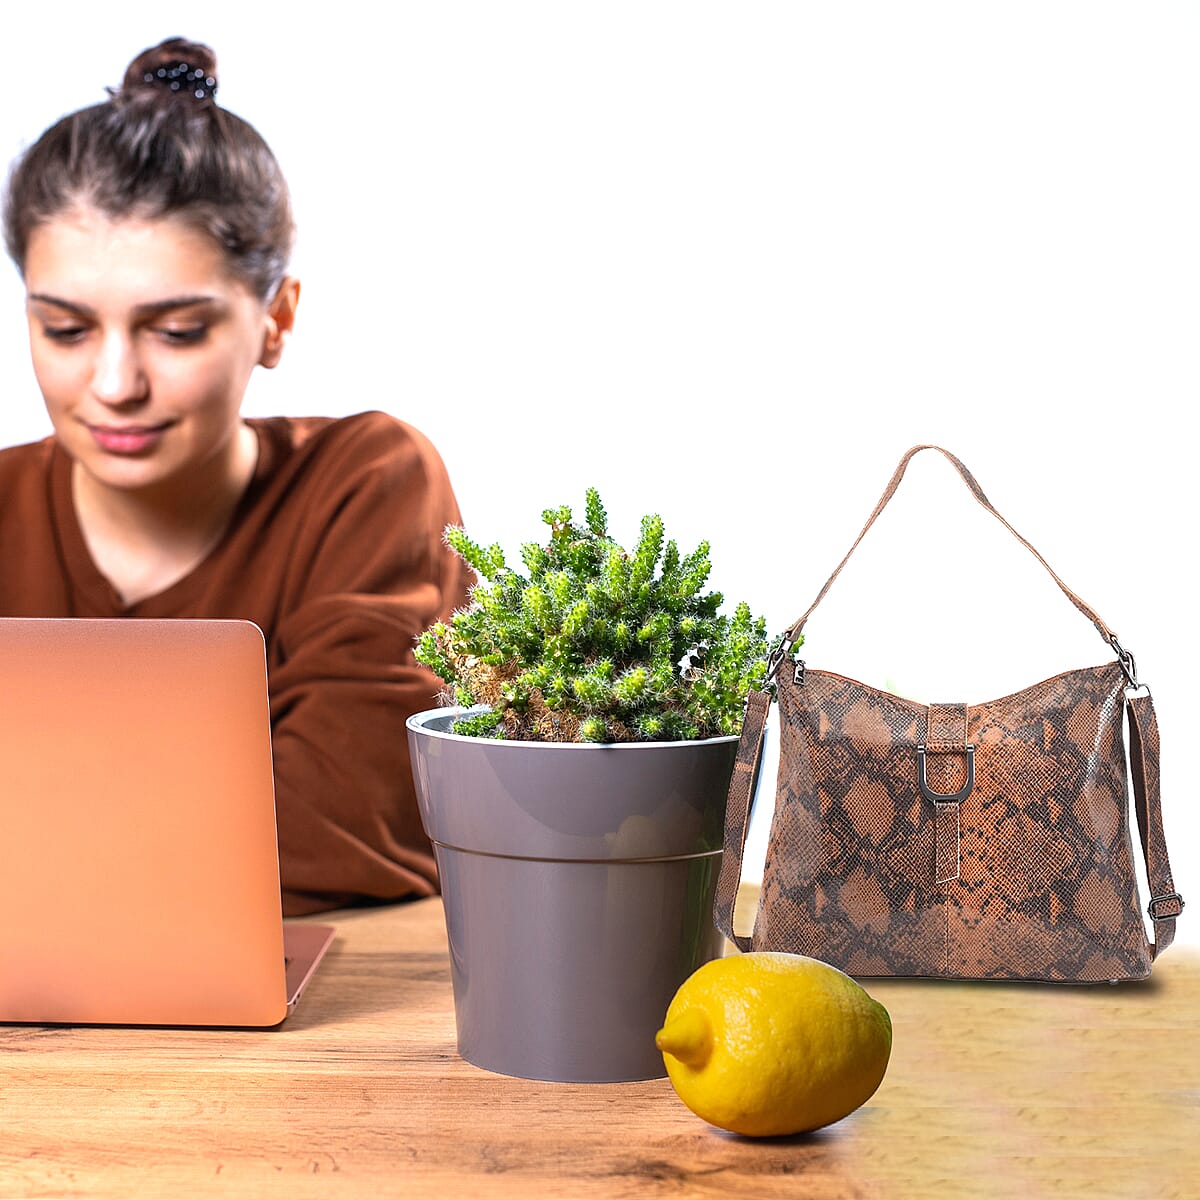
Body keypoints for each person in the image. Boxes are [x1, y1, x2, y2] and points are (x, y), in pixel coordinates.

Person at [0, 37, 471, 915]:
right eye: (65, 329)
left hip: (312, 1025)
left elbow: (349, 833)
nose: (114, 386)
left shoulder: (370, 484)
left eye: (175, 331)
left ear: (275, 319)